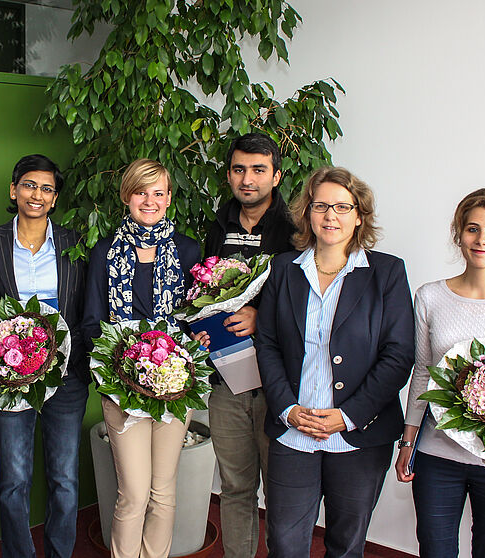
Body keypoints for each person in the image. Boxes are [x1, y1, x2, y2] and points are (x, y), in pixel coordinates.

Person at [256, 167, 414, 558]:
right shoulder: (282, 269)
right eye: (321, 205)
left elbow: (399, 355)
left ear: (359, 215)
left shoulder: (387, 272)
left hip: (360, 434)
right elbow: (268, 343)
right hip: (294, 430)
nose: (331, 216)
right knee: (284, 544)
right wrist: (288, 409)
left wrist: (348, 415)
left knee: (346, 545)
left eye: (343, 206)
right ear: (307, 212)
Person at [396, 188, 485, 558]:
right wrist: (408, 442)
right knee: (435, 550)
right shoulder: (430, 296)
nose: (482, 240)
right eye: (473, 228)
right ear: (458, 233)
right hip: (438, 456)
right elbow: (424, 374)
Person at [0, 154, 88, 558]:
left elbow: (85, 308)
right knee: (15, 479)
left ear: (55, 198)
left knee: (65, 480)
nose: (37, 194)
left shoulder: (74, 243)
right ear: (14, 190)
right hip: (8, 377)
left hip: (66, 378)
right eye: (29, 185)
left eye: (47, 188)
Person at [82, 158, 201, 558]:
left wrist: (185, 355)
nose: (149, 200)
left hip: (175, 384)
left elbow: (193, 317)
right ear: (126, 196)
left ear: (169, 198)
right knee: (133, 493)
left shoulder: (187, 249)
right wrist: (119, 374)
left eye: (158, 192)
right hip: (122, 387)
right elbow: (93, 322)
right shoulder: (104, 251)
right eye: (140, 191)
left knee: (163, 492)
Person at [201, 132, 296, 558]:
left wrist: (262, 316)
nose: (248, 179)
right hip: (227, 381)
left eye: (259, 170)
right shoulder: (216, 227)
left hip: (281, 386)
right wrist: (199, 328)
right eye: (239, 169)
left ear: (275, 176)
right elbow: (199, 293)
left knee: (283, 492)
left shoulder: (297, 232)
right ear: (229, 175)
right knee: (236, 488)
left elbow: (310, 305)